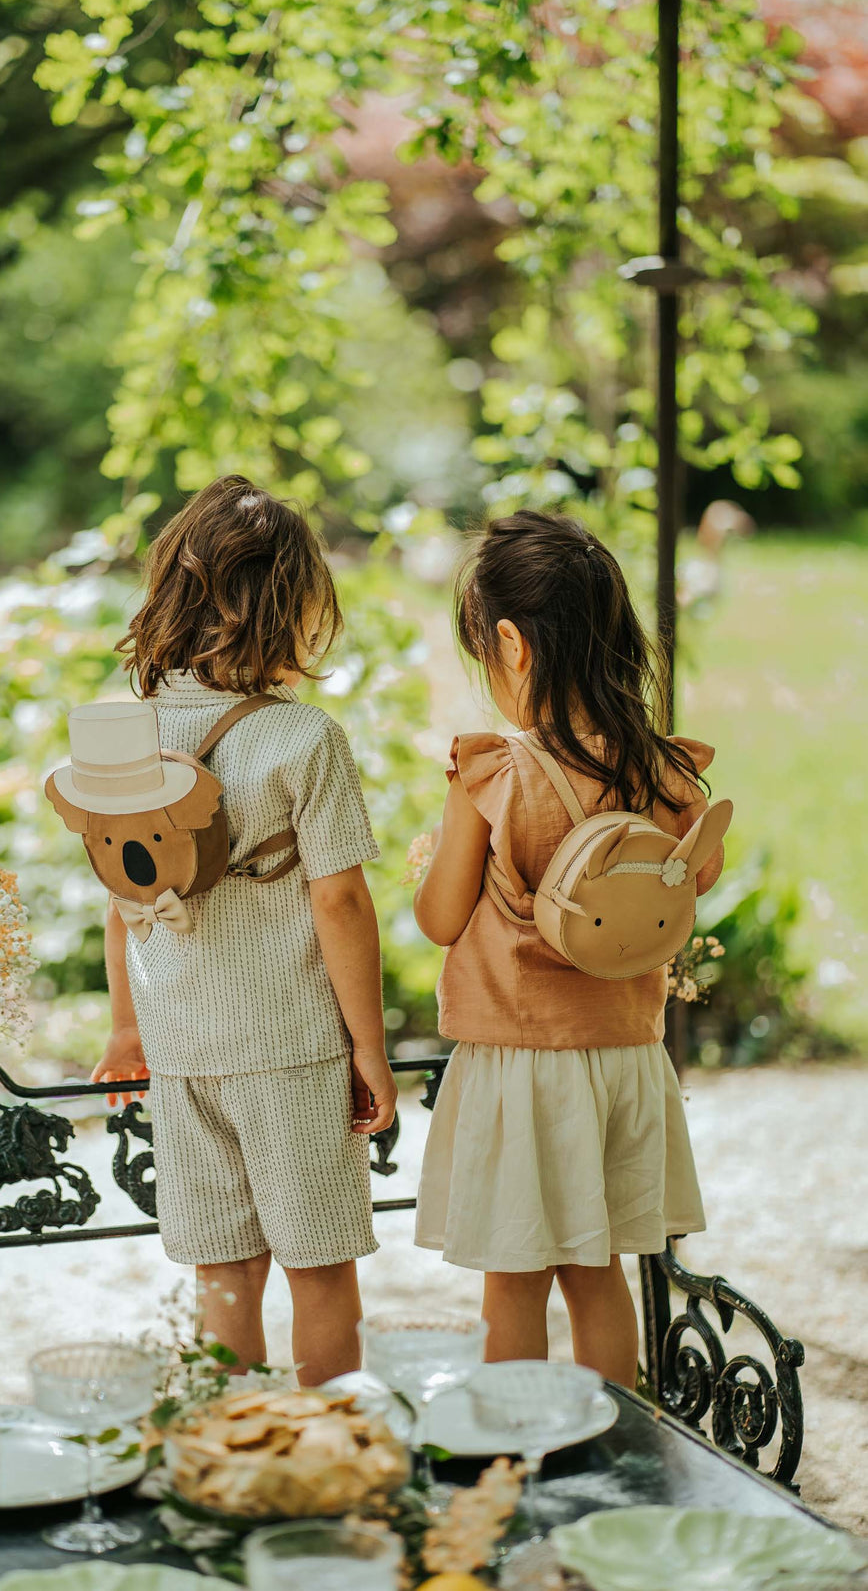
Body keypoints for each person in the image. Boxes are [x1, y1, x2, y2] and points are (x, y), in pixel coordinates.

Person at [91, 474, 397, 1386]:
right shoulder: (305, 741)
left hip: (184, 1053)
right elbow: (339, 903)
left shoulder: (128, 738)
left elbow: (123, 894)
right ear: (289, 608)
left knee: (223, 1271)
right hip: (292, 1051)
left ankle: (233, 1451)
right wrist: (370, 1048)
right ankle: (328, 1448)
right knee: (319, 1269)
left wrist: (126, 1029)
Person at [413, 510, 722, 1387]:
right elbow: (695, 879)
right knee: (598, 1274)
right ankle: (615, 1452)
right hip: (625, 1056)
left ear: (512, 644)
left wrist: (438, 864)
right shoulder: (666, 770)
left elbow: (440, 919)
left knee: (514, 1283)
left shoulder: (496, 775)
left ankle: (518, 1456)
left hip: (521, 1064)